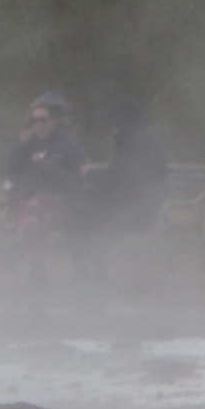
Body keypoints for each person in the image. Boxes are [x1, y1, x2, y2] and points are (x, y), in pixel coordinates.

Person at [70, 97, 169, 288]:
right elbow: (121, 175)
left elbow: (119, 177)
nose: (111, 129)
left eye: (113, 124)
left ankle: (89, 275)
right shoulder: (140, 139)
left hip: (137, 211)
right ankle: (94, 272)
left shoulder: (132, 142)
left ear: (122, 122)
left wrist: (90, 173)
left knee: (82, 217)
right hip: (138, 205)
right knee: (84, 211)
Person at [0, 91, 87, 273]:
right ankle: (35, 272)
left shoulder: (68, 145)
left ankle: (19, 250)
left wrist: (49, 168)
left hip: (60, 204)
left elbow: (75, 182)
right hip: (28, 204)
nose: (37, 124)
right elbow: (4, 171)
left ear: (55, 120)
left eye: (43, 120)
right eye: (34, 120)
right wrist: (18, 145)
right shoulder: (29, 142)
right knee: (32, 207)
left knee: (38, 206)